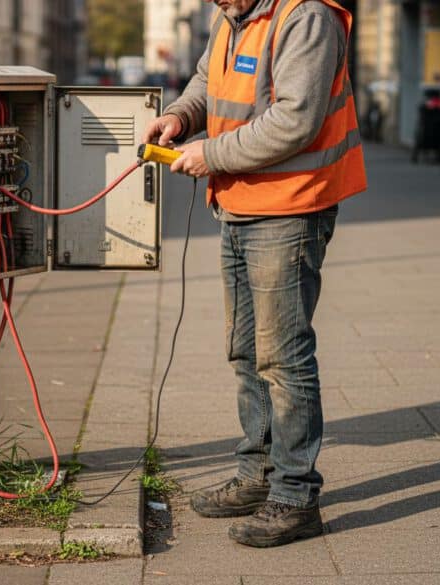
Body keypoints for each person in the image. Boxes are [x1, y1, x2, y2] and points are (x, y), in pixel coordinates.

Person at [141, 0, 367, 548]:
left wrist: (211, 153)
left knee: (283, 356)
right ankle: (257, 474)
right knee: (245, 349)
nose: (218, 0)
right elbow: (205, 80)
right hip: (241, 205)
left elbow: (295, 119)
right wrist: (181, 116)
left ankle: (295, 497)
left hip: (291, 208)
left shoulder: (306, 17)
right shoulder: (232, 18)